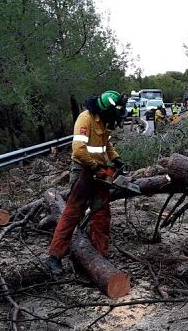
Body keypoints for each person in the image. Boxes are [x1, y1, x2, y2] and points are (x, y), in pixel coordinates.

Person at [44, 90, 127, 275]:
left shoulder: (104, 122)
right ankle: (54, 257)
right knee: (73, 213)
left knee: (102, 214)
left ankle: (99, 258)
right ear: (106, 110)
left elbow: (107, 145)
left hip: (100, 170)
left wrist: (116, 159)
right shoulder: (85, 118)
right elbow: (78, 150)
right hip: (83, 170)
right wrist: (95, 168)